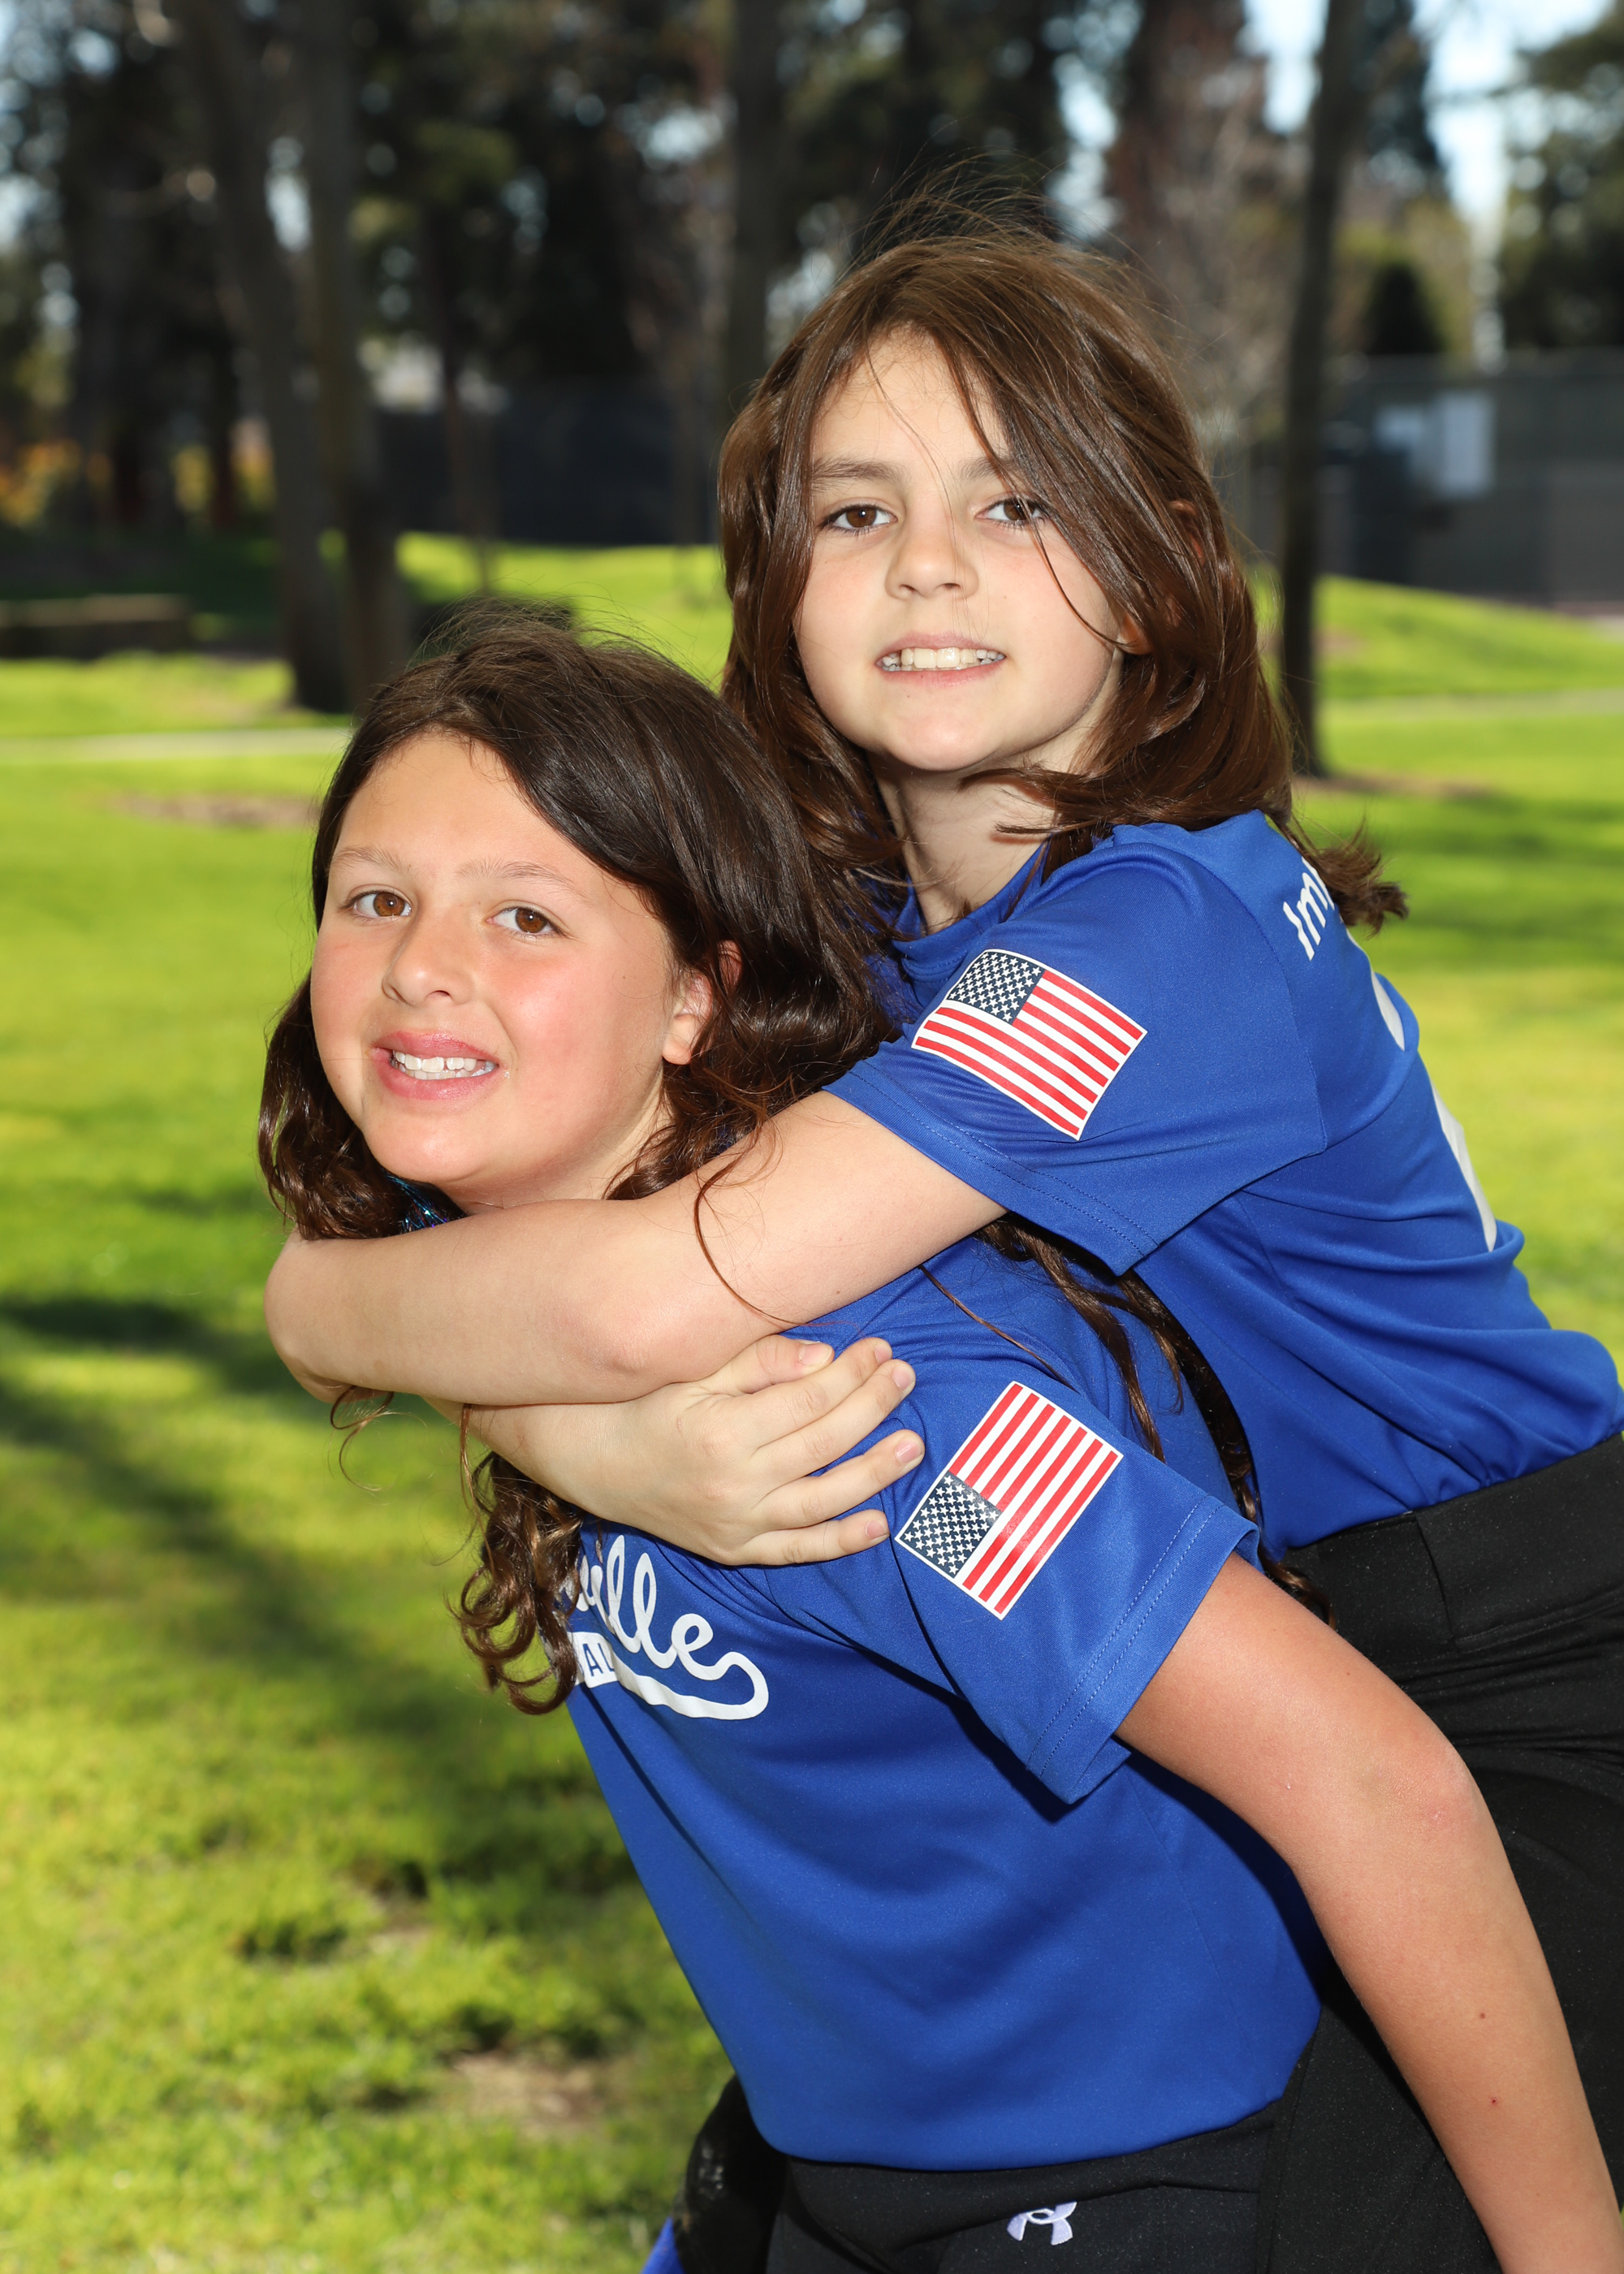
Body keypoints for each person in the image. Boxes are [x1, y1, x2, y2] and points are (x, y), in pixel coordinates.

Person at [263, 228, 1624, 2263]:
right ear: (771, 576)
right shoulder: (875, 935)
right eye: (852, 511)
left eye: (1014, 502)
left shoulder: (1156, 933)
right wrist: (474, 1379)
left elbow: (656, 1289)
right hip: (1280, 1644)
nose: (924, 566)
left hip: (1524, 1666)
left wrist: (439, 1351)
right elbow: (542, 1251)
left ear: (1158, 563)